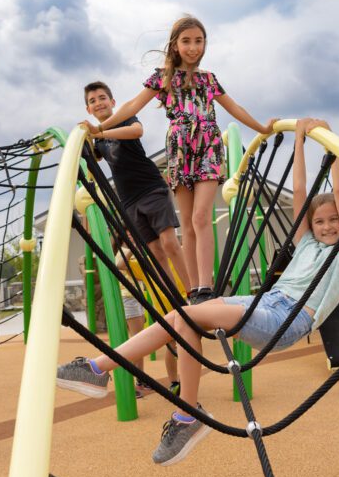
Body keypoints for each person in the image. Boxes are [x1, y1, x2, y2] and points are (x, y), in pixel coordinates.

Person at [56, 118, 339, 466]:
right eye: (320, 221)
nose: (327, 226)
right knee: (183, 320)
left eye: (334, 219)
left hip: (288, 318)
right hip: (264, 302)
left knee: (185, 314)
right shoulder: (306, 241)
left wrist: (332, 147)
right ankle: (187, 416)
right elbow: (300, 189)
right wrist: (297, 140)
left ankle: (99, 368)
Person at [80, 16, 277, 305]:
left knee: (200, 217)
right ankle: (195, 288)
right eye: (187, 41)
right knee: (186, 221)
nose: (193, 47)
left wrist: (262, 127)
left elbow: (235, 107)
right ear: (175, 45)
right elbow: (133, 105)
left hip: (207, 145)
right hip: (179, 150)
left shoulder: (208, 80)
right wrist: (99, 128)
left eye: (199, 41)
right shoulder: (163, 77)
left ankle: (207, 286)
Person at [83, 81, 191, 296]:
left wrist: (99, 133)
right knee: (155, 252)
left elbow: (137, 131)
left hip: (151, 187)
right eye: (92, 101)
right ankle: (175, 300)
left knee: (169, 242)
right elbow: (91, 159)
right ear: (88, 109)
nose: (98, 103)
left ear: (112, 102)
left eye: (102, 98)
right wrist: (85, 137)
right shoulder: (97, 142)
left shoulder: (124, 118)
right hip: (128, 199)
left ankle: (193, 292)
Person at [115, 235, 180, 397]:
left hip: (142, 299)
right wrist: (134, 245)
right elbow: (120, 265)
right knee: (139, 341)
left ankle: (144, 380)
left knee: (181, 345)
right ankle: (171, 382)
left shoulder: (175, 256)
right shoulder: (143, 261)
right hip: (132, 299)